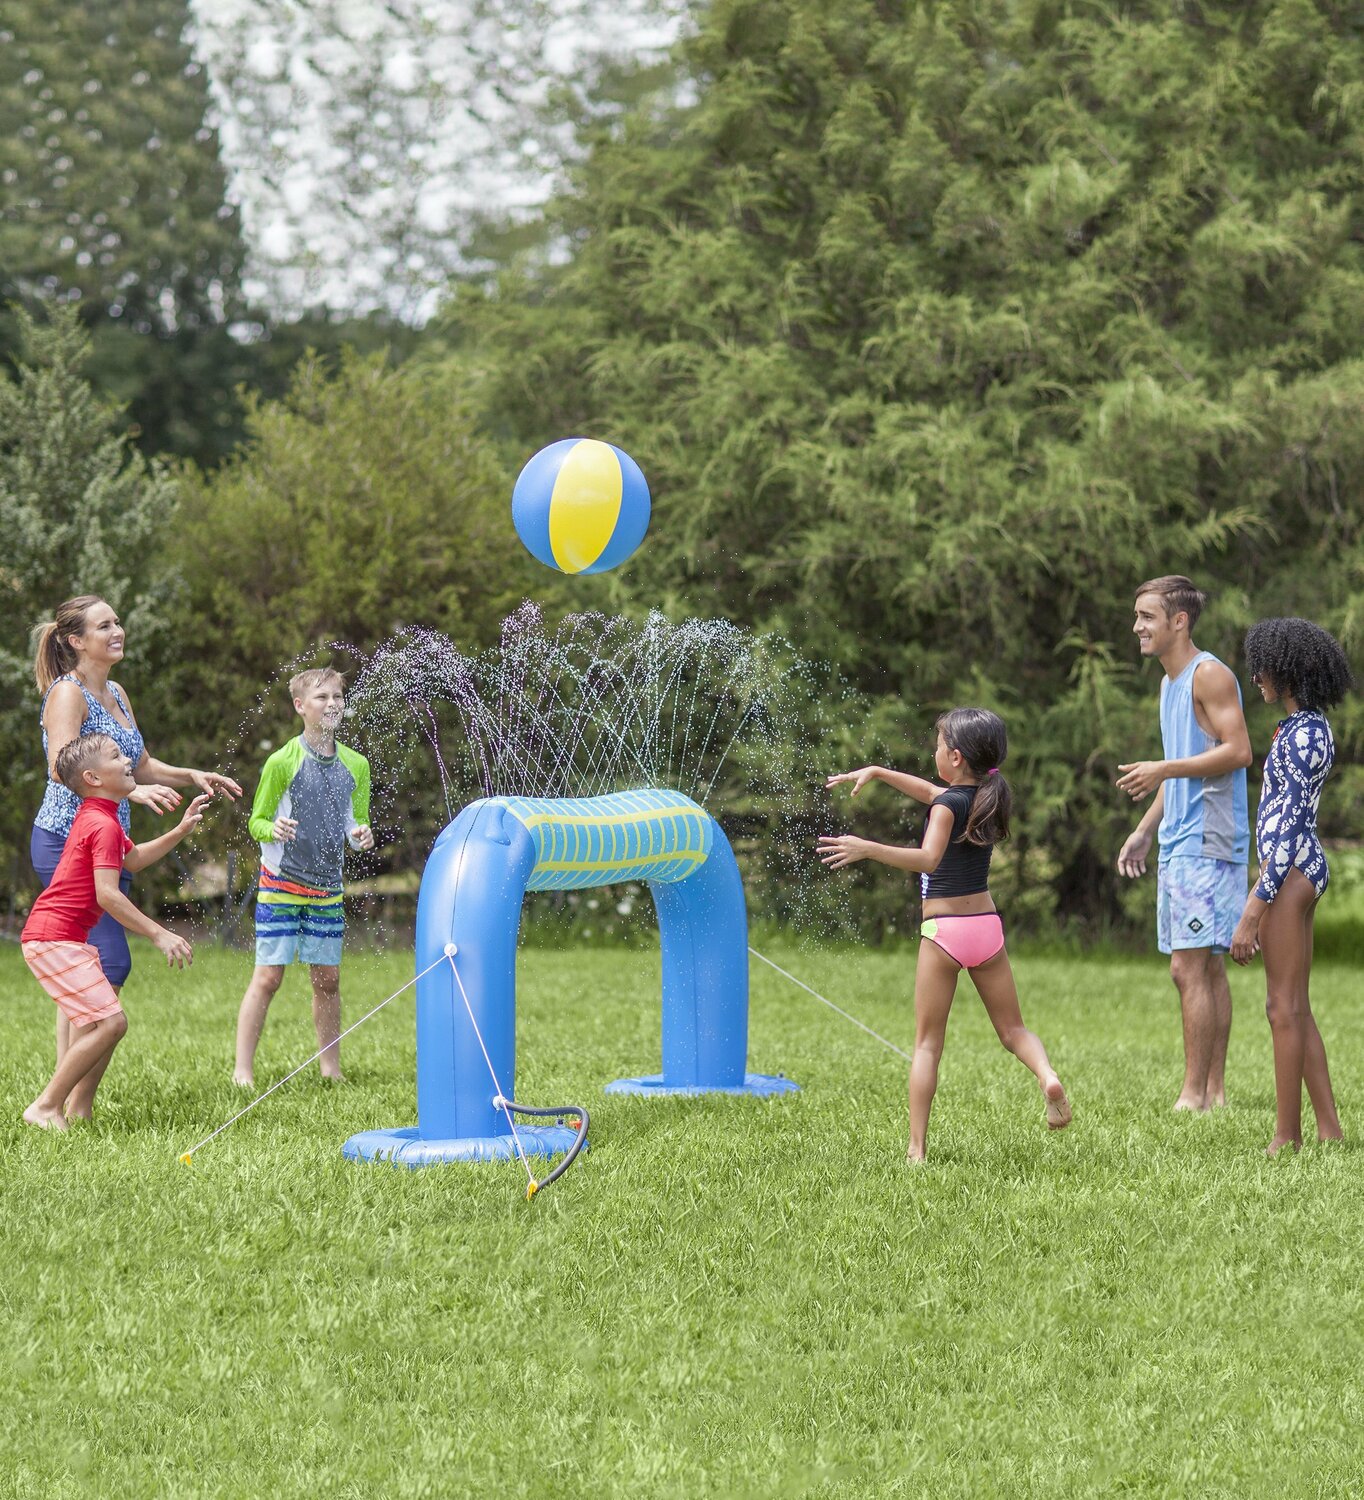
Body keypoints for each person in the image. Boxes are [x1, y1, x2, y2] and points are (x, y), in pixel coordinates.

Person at [820, 708, 1071, 1164]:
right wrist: (877, 771)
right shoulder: (988, 797)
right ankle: (1046, 1074)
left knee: (927, 1044)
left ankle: (916, 1150)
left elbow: (929, 859)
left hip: (945, 932)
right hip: (986, 928)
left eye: (937, 745)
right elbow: (933, 792)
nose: (933, 752)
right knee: (1014, 1030)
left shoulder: (947, 806)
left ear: (954, 756)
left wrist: (866, 848)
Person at [31, 595, 242, 1107]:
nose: (117, 630)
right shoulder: (68, 692)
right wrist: (129, 791)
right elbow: (62, 765)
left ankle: (72, 1102)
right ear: (76, 641)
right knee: (107, 963)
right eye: (104, 626)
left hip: (109, 840)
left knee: (92, 965)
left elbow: (141, 763)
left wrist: (188, 774)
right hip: (67, 840)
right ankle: (62, 1103)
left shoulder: (118, 692)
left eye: (117, 622)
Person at [20, 735, 209, 1129]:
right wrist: (160, 934)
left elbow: (133, 860)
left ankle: (60, 1106)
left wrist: (180, 830)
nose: (127, 761)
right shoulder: (100, 823)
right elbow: (108, 895)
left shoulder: (100, 815)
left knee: (102, 1023)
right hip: (54, 938)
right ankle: (47, 1106)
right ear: (93, 777)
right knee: (111, 1023)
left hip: (60, 938)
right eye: (116, 756)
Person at [1116, 576, 1253, 1112]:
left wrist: (1163, 768)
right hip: (1179, 840)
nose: (1137, 627)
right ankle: (1214, 1092)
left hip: (1209, 841)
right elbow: (1178, 773)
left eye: (1147, 616)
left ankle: (1193, 1095)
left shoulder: (1210, 675)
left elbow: (1239, 750)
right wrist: (1145, 830)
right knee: (1206, 966)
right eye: (1137, 616)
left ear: (1180, 621)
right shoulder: (1169, 684)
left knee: (1187, 967)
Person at [1230, 618, 1352, 1156]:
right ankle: (1330, 1129)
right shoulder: (1309, 727)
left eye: (1263, 668)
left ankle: (1287, 1135)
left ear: (1289, 670)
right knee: (1297, 1006)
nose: (1256, 677)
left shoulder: (1302, 734)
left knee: (1280, 1007)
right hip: (1304, 868)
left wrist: (1256, 906)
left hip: (1292, 872)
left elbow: (1291, 823)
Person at [233, 668, 374, 1088]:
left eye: (338, 697)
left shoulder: (356, 765)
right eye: (321, 698)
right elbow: (256, 822)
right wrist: (271, 829)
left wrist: (361, 836)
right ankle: (243, 1070)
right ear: (299, 706)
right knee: (269, 976)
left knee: (328, 979)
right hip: (280, 883)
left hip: (327, 888)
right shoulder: (282, 762)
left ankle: (331, 1069)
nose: (333, 704)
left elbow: (356, 822)